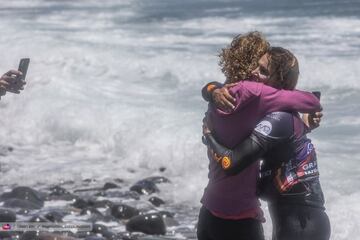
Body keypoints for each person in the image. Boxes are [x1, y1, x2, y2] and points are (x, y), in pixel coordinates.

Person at [197, 32, 322, 240]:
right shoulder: (256, 93)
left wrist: (211, 89)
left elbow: (256, 134)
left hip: (209, 212)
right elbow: (311, 101)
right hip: (240, 217)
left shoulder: (217, 98)